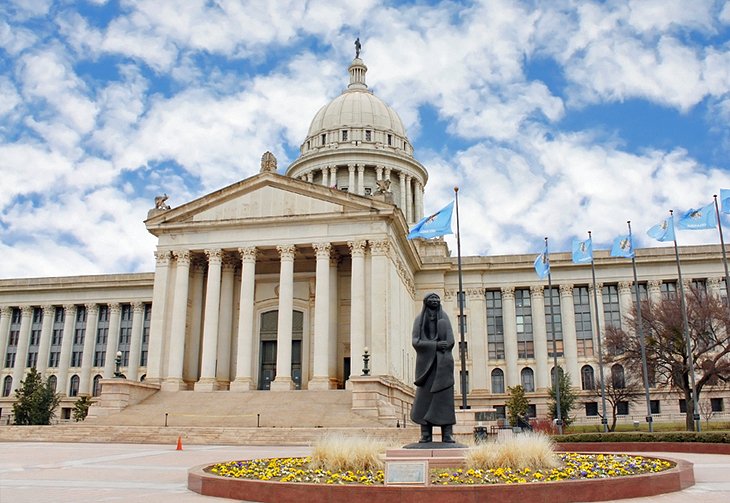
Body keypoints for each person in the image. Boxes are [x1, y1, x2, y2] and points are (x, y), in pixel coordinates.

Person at [410, 293, 456, 443]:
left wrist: (444, 346)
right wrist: (435, 345)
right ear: (426, 301)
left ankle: (447, 433)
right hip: (426, 367)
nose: (435, 301)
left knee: (445, 399)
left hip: (443, 364)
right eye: (432, 298)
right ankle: (426, 434)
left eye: (437, 298)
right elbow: (416, 342)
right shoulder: (419, 320)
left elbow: (450, 340)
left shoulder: (445, 319)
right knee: (425, 399)